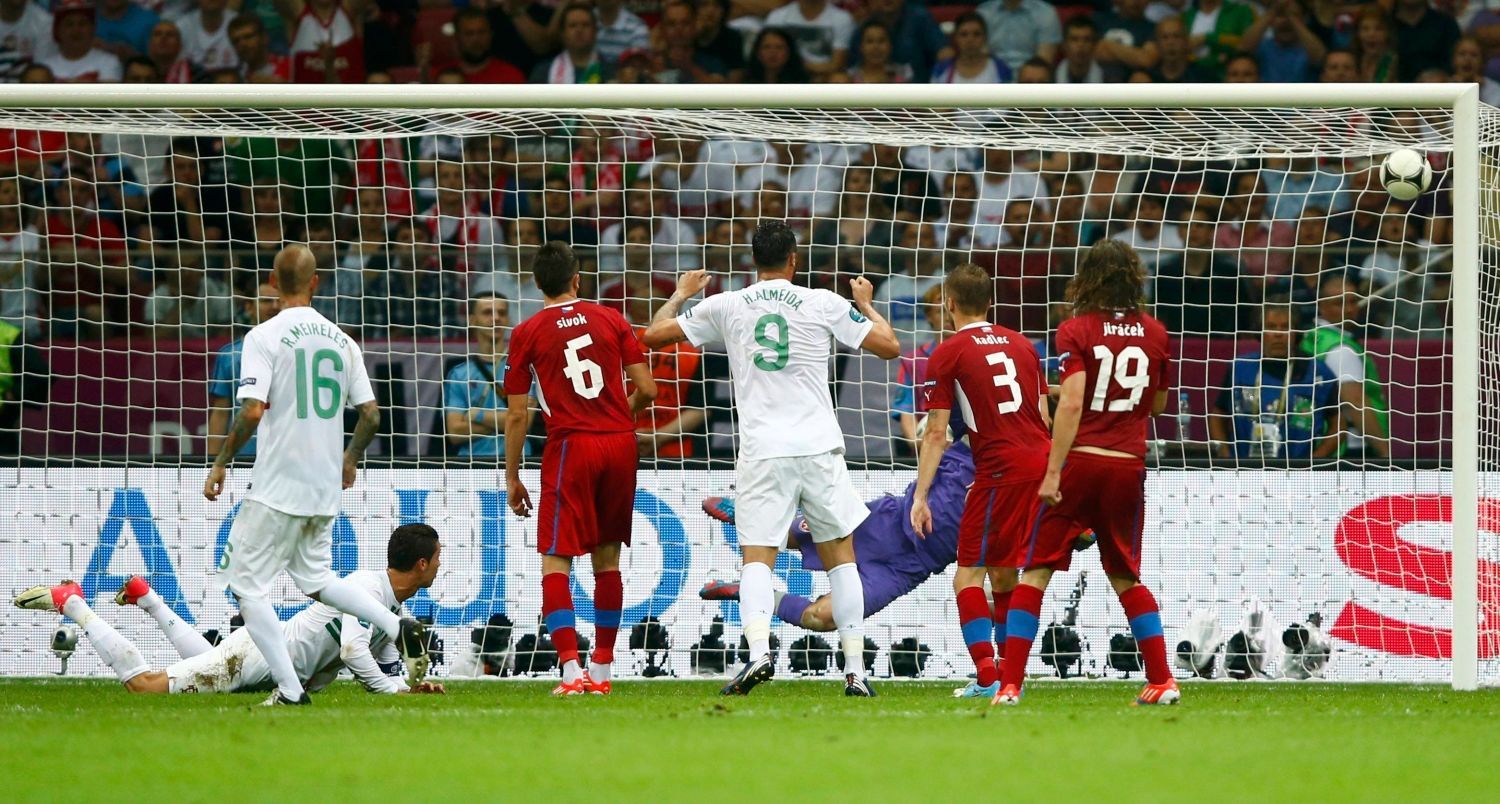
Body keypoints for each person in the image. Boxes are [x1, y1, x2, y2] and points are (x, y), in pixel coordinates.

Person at [642, 220, 900, 697]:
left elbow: (651, 336)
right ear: (794, 260)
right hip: (819, 446)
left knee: (757, 558)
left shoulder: (726, 304)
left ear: (752, 262)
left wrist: (680, 294)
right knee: (841, 560)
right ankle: (856, 672)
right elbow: (889, 347)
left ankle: (759, 653)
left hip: (763, 449)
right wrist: (864, 304)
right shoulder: (823, 302)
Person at [201, 244, 429, 706]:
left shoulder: (262, 337)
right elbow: (371, 414)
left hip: (278, 483)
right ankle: (394, 624)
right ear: (315, 282)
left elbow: (250, 411)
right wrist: (349, 459)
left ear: (273, 281)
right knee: (318, 579)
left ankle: (289, 690)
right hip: (323, 485)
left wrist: (222, 460)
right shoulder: (342, 340)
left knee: (246, 586)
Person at [997, 239, 1178, 707]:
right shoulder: (1156, 332)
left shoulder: (1075, 329)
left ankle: (1011, 684)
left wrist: (1053, 471)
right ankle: (1162, 680)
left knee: (1036, 570)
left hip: (1082, 461)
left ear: (1087, 278)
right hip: (1127, 465)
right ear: (1133, 277)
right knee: (1126, 576)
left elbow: (1075, 401)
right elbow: (1156, 403)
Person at [13, 524, 447, 697]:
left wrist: (410, 687)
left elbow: (387, 662)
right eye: (439, 560)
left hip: (258, 651)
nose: (441, 567)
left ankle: (147, 596)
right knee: (145, 688)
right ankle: (73, 603)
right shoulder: (364, 589)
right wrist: (393, 693)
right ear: (422, 564)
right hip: (258, 660)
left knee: (201, 660)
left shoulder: (390, 600)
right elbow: (354, 651)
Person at [502, 241, 658, 696]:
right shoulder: (611, 318)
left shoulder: (527, 331)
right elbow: (647, 389)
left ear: (536, 284)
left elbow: (517, 414)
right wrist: (616, 419)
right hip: (619, 445)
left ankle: (571, 673)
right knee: (607, 560)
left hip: (571, 446)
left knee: (556, 560)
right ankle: (604, 671)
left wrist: (513, 476)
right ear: (577, 279)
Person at [911, 263, 1052, 699]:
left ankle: (989, 675)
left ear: (949, 303)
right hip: (1041, 461)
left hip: (999, 470)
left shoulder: (949, 351)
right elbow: (1044, 416)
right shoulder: (1024, 347)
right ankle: (1010, 676)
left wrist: (921, 495)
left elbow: (936, 432)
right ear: (990, 302)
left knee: (968, 576)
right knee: (1005, 576)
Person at [1209, 303, 1342, 461]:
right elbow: (1218, 414)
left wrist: (1314, 461)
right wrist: (1225, 456)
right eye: (1271, 326)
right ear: (1260, 332)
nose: (1278, 334)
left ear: (1296, 332)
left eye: (1285, 327)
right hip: (1244, 472)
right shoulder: (1240, 368)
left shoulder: (1318, 373)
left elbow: (1338, 425)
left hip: (1297, 475)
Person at [1301, 274, 1389, 459]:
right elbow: (1355, 403)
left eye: (1353, 301)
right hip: (1350, 447)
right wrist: (1385, 453)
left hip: (1315, 439)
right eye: (1339, 303)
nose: (1349, 309)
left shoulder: (1312, 338)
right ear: (1321, 305)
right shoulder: (1341, 350)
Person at [444, 293, 530, 460]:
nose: (496, 318)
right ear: (472, 320)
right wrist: (507, 422)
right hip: (471, 465)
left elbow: (525, 422)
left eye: (502, 313)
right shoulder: (458, 374)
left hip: (519, 462)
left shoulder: (524, 367)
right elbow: (455, 432)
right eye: (487, 312)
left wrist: (476, 415)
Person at [205, 281, 279, 460]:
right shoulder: (229, 356)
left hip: (285, 460)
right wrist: (210, 463)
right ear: (249, 307)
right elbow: (221, 413)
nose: (275, 306)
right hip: (243, 460)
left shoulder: (298, 353)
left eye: (279, 301)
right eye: (267, 301)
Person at [764, 0, 854, 79]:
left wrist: (799, 66)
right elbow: (767, 57)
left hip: (824, 78)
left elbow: (836, 65)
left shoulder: (842, 19)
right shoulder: (777, 17)